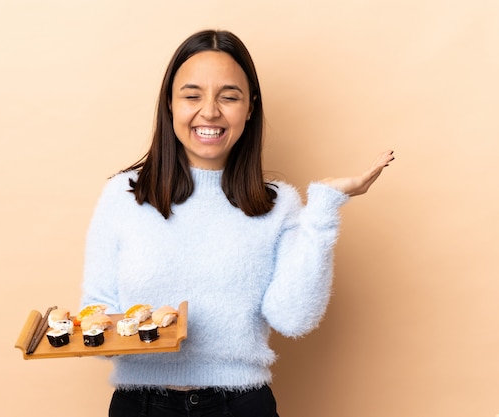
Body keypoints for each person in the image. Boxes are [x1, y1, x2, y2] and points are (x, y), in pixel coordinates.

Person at [80, 29, 394, 417]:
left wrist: (323, 209)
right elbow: (95, 311)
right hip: (140, 405)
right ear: (169, 105)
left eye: (228, 97)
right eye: (192, 95)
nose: (209, 111)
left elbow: (293, 319)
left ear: (249, 108)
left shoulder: (279, 205)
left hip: (241, 405)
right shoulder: (122, 196)